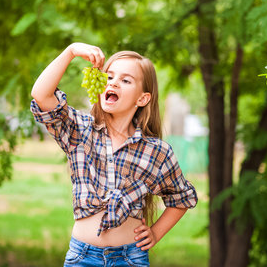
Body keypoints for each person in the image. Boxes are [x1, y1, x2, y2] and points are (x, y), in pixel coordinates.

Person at [30, 42, 198, 267]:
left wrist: (156, 233)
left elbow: (182, 198)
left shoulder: (156, 151)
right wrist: (71, 51)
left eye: (126, 80)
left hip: (130, 258)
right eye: (109, 77)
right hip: (82, 257)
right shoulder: (81, 130)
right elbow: (41, 95)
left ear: (142, 99)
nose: (114, 82)